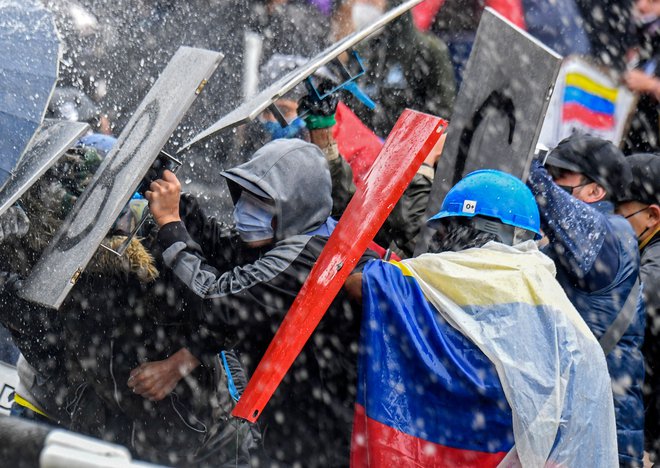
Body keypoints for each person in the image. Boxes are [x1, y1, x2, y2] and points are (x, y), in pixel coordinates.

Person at [347, 170, 618, 466]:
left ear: (470, 227)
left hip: (442, 448)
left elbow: (362, 285)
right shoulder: (553, 302)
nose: (439, 238)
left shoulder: (445, 274)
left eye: (448, 227)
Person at [142, 138, 377, 466]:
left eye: (260, 203)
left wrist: (170, 227)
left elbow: (215, 300)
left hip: (315, 439)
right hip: (292, 424)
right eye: (245, 197)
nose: (244, 210)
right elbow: (222, 248)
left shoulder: (304, 260)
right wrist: (168, 192)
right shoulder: (297, 237)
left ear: (294, 208)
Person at [526, 133, 645, 466]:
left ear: (596, 191)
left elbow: (542, 190)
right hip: (586, 428)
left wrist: (522, 156)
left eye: (561, 174)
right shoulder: (575, 237)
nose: (551, 180)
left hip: (602, 437)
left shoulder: (611, 234)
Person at [349, 0, 456, 137]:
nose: (363, 6)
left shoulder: (428, 50)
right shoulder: (362, 51)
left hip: (412, 149)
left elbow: (443, 116)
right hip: (368, 148)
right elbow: (354, 108)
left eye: (372, 1)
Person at [616, 153, 660, 462]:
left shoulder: (655, 265)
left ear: (652, 217)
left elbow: (625, 311)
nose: (609, 219)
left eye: (619, 211)